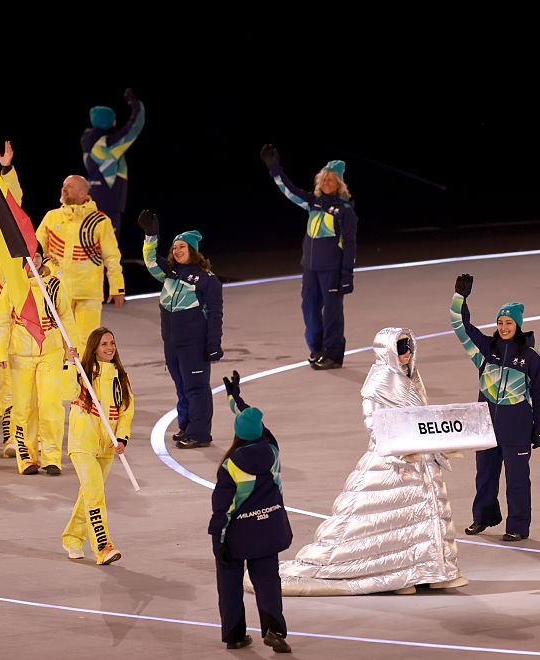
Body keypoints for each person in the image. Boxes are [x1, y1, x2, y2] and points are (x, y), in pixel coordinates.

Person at [274, 328, 468, 595]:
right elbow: (374, 424)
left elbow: (422, 415)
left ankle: (431, 570)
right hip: (394, 458)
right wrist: (398, 449)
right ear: (388, 350)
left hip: (418, 455)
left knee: (423, 514)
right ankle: (397, 574)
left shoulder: (411, 376)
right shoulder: (379, 380)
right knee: (391, 519)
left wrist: (437, 443)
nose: (407, 352)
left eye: (408, 346)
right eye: (400, 348)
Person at [451, 274, 540, 542]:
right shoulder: (486, 348)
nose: (504, 327)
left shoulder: (531, 358)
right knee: (484, 475)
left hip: (516, 425)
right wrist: (460, 298)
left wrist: (539, 426)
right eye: (500, 322)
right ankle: (482, 518)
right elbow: (460, 326)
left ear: (518, 325)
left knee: (517, 479)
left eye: (509, 322)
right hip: (486, 424)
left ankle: (518, 525)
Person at [211, 371, 292, 653]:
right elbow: (258, 423)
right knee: (268, 581)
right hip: (269, 529)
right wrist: (237, 399)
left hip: (237, 535)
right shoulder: (272, 451)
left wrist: (218, 541)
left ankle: (234, 634)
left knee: (229, 583)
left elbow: (223, 508)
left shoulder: (230, 465)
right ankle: (273, 630)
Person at [260, 144, 357, 370]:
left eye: (331, 180)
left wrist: (347, 275)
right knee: (309, 311)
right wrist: (275, 169)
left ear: (340, 184)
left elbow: (350, 245)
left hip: (332, 270)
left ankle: (334, 354)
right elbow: (290, 190)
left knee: (332, 315)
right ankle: (317, 348)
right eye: (323, 179)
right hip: (311, 269)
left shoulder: (344, 211)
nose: (326, 183)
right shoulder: (313, 203)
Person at [138, 211, 223, 449]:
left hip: (193, 344)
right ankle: (186, 425)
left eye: (182, 246)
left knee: (196, 388)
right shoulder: (170, 273)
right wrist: (151, 235)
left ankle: (200, 433)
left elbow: (215, 315)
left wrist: (213, 345)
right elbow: (151, 261)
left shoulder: (208, 280)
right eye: (174, 247)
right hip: (172, 342)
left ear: (193, 249)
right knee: (181, 386)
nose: (176, 250)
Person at [0, 249, 80, 475]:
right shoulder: (14, 286)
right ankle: (27, 459)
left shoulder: (55, 285)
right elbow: (1, 321)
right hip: (19, 356)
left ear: (42, 259)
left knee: (51, 406)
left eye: (37, 257)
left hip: (50, 353)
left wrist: (72, 349)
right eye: (27, 259)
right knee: (23, 409)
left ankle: (52, 458)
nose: (32, 262)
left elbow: (66, 317)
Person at [60, 327, 133, 566]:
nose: (110, 347)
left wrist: (122, 437)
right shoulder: (82, 373)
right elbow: (66, 392)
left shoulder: (121, 376)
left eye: (112, 342)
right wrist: (69, 364)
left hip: (108, 447)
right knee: (96, 495)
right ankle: (103, 547)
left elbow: (126, 409)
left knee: (89, 495)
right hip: (83, 444)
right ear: (94, 348)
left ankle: (72, 538)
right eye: (104, 344)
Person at [35, 174, 125, 343]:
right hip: (58, 289)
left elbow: (112, 257)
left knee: (87, 340)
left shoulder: (100, 221)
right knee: (59, 339)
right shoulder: (51, 217)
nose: (64, 189)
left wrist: (117, 287)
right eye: (63, 185)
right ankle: (64, 371)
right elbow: (36, 250)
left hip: (89, 293)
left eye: (69, 186)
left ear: (83, 193)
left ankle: (84, 370)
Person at [81, 87, 145, 241]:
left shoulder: (89, 143)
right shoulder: (106, 145)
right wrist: (136, 104)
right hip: (109, 200)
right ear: (109, 122)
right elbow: (134, 128)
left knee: (93, 243)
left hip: (94, 197)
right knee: (108, 246)